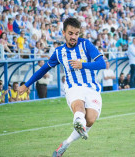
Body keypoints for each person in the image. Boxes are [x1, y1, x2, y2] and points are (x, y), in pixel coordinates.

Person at [18, 17, 106, 157]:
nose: (74, 37)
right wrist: (26, 84)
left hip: (92, 88)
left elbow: (102, 64)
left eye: (76, 34)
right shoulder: (59, 52)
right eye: (71, 33)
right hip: (73, 87)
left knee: (90, 119)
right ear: (64, 33)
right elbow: (43, 69)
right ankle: (77, 120)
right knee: (79, 109)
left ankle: (66, 143)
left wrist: (83, 65)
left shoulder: (86, 45)